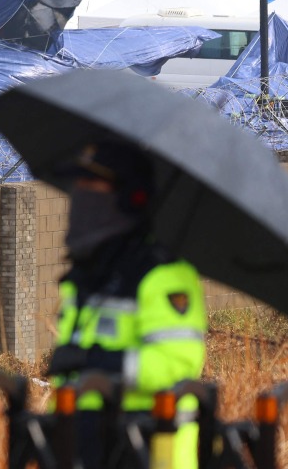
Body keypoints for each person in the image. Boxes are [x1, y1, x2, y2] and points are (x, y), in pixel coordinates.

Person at [47, 142, 206, 469]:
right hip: (88, 443)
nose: (81, 196)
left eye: (92, 187)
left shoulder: (162, 275)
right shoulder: (90, 274)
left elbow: (176, 365)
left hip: (150, 448)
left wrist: (99, 362)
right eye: (79, 186)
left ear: (128, 197)